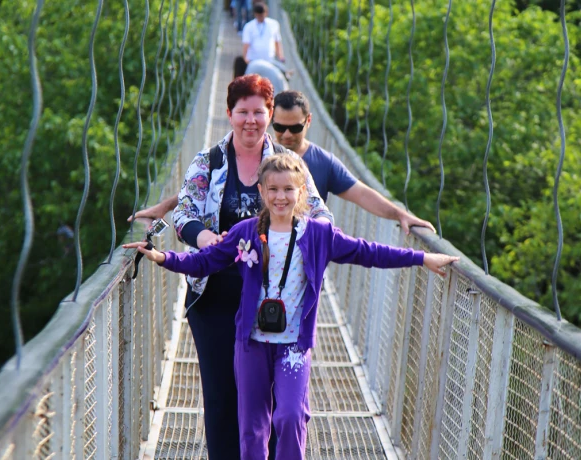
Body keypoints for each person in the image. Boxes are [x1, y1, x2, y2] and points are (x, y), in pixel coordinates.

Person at [123, 154, 459, 459]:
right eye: (273, 190)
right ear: (262, 192)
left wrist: (422, 257)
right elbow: (205, 262)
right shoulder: (246, 233)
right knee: (253, 426)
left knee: (290, 416)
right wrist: (162, 257)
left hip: (293, 347)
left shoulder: (318, 235)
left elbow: (368, 251)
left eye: (288, 189)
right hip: (251, 344)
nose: (281, 197)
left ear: (301, 192)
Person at [132, 75, 331, 460]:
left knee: (272, 402)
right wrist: (206, 239)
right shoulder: (208, 161)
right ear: (229, 114)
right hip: (216, 301)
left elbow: (321, 214)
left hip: (274, 303)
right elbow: (186, 209)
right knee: (222, 398)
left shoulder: (289, 167)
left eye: (259, 112)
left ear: (270, 114)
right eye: (243, 112)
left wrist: (306, 237)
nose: (251, 121)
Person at [273, 90, 436, 233]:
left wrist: (400, 215)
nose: (287, 135)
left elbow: (362, 194)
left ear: (308, 121)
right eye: (280, 127)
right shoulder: (259, 154)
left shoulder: (323, 162)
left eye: (295, 128)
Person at [242, 2, 285, 68]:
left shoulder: (274, 24)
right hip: (253, 60)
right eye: (258, 16)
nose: (260, 17)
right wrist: (245, 58)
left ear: (266, 13)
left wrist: (281, 57)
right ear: (255, 14)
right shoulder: (249, 26)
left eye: (262, 15)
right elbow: (246, 44)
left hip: (269, 60)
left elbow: (277, 42)